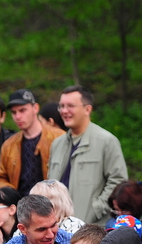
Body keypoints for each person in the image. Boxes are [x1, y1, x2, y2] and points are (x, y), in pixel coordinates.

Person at [46, 86, 128, 226]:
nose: (64, 111)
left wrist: (97, 209)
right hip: (57, 228)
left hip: (92, 229)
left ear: (87, 109)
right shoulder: (57, 144)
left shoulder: (107, 141)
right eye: (62, 106)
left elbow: (118, 181)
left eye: (70, 106)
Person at [0, 89, 59, 196]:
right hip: (20, 206)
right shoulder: (9, 145)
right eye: (14, 112)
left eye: (22, 110)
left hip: (53, 204)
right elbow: (1, 177)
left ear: (35, 108)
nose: (18, 117)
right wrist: (11, 194)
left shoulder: (58, 138)